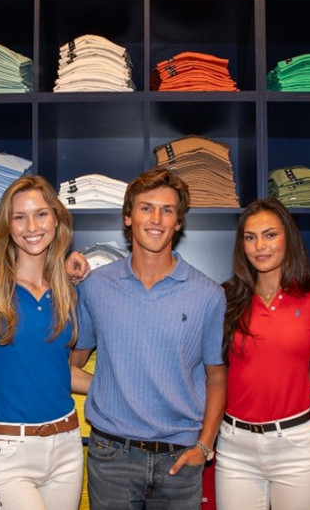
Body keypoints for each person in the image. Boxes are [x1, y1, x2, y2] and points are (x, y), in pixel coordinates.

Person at [69, 166, 226, 510]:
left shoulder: (208, 294)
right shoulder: (96, 287)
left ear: (178, 222)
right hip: (111, 455)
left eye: (167, 210)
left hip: (180, 459)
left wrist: (204, 447)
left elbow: (216, 376)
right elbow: (71, 362)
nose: (156, 219)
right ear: (128, 217)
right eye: (146, 208)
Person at [0, 175, 92, 510]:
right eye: (20, 217)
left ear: (56, 219)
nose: (32, 226)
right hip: (7, 450)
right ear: (7, 224)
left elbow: (59, 372)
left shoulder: (68, 290)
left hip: (66, 445)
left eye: (41, 214)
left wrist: (120, 388)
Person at [215, 197, 310, 510]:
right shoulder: (225, 298)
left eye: (270, 235)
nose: (259, 246)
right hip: (235, 445)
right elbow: (216, 371)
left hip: (296, 445)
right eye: (250, 237)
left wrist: (287, 376)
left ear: (288, 238)